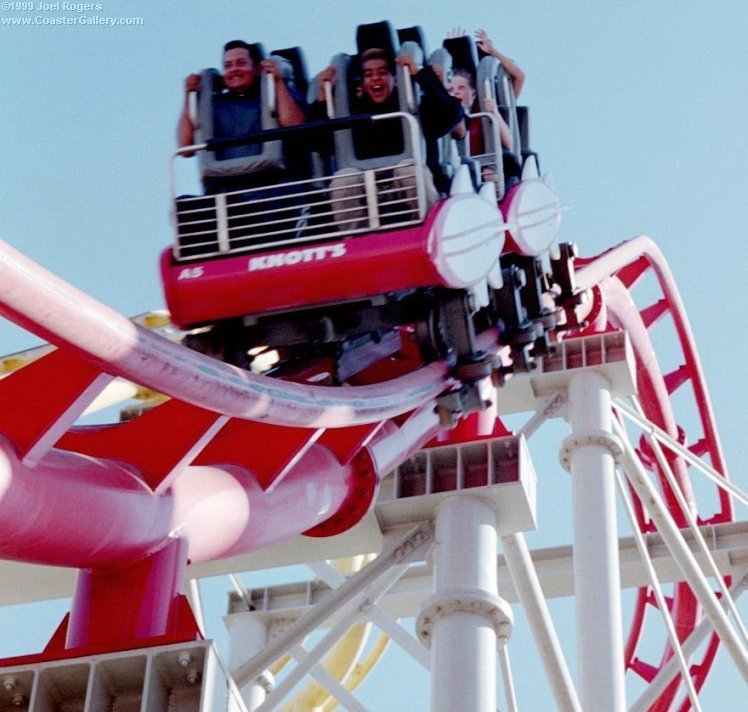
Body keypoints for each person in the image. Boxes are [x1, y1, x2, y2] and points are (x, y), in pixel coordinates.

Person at [311, 47, 464, 229]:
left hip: (406, 183)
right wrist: (323, 96)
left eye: (382, 72)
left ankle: (431, 229)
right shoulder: (353, 113)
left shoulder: (413, 107)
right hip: (368, 186)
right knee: (344, 178)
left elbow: (452, 114)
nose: (375, 78)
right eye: (369, 74)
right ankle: (357, 242)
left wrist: (422, 76)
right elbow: (318, 141)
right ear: (363, 82)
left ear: (395, 78)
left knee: (409, 170)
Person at [177, 40, 306, 189]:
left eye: (241, 63)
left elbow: (295, 126)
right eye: (228, 66)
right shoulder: (213, 104)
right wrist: (189, 95)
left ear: (257, 68)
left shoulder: (272, 93)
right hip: (225, 186)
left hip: (271, 183)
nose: (234, 69)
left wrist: (277, 81)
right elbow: (185, 147)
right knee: (184, 205)